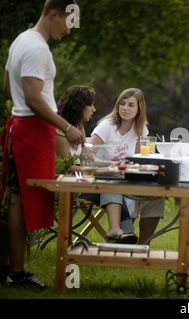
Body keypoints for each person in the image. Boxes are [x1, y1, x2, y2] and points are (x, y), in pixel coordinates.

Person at [1, 0, 83, 289]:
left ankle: (6, 268)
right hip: (32, 131)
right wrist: (67, 127)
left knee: (13, 197)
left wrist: (24, 109)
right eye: (67, 23)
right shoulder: (37, 48)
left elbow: (8, 87)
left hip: (20, 127)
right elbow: (33, 97)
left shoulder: (20, 40)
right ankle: (17, 274)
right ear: (54, 14)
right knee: (22, 202)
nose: (69, 31)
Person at [55, 85, 137, 243]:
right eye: (90, 104)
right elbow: (68, 168)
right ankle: (125, 232)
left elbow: (86, 159)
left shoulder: (78, 127)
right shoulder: (59, 131)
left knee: (112, 180)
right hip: (65, 185)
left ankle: (117, 230)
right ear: (79, 106)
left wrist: (109, 164)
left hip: (82, 181)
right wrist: (104, 171)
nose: (94, 109)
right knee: (110, 181)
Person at [85, 88, 165, 245]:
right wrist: (110, 166)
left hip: (126, 176)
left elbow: (138, 161)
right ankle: (125, 235)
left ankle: (143, 245)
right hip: (102, 176)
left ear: (139, 109)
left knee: (157, 196)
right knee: (128, 194)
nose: (125, 108)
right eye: (122, 104)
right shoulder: (106, 127)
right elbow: (86, 158)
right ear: (117, 105)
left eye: (130, 105)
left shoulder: (140, 129)